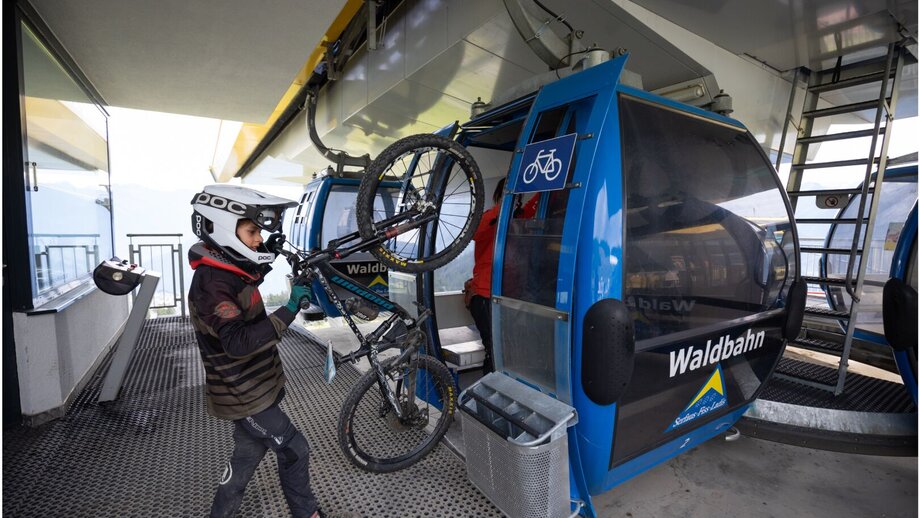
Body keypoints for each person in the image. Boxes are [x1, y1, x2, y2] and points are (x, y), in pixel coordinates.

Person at [188, 185, 320, 518]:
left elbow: (245, 283)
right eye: (252, 230)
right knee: (295, 450)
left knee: (246, 457)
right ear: (222, 227)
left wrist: (271, 254)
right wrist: (290, 308)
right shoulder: (211, 285)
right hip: (245, 394)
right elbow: (238, 343)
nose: (259, 238)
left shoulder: (223, 268)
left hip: (256, 388)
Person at [469, 178, 538, 373]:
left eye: (518, 196)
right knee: (494, 350)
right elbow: (475, 232)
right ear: (500, 196)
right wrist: (505, 206)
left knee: (509, 350)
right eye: (510, 195)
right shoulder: (489, 218)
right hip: (485, 297)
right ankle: (488, 396)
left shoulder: (521, 217)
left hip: (509, 295)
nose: (516, 200)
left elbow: (537, 205)